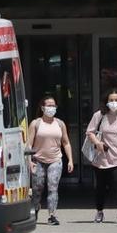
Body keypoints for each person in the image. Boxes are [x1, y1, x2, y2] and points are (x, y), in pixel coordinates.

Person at [86, 90, 117, 224]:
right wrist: (97, 142)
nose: (114, 103)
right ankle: (99, 211)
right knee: (101, 187)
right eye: (111, 100)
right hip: (101, 159)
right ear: (106, 102)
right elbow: (89, 132)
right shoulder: (99, 115)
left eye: (116, 100)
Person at [28, 95, 73, 225]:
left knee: (53, 187)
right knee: (37, 188)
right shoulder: (36, 123)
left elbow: (66, 143)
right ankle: (35, 208)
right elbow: (29, 144)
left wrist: (70, 159)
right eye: (48, 105)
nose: (51, 108)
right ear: (42, 107)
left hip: (55, 160)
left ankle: (52, 214)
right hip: (38, 160)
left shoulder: (60, 124)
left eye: (53, 105)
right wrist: (29, 160)